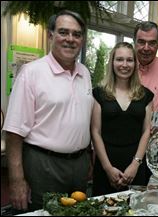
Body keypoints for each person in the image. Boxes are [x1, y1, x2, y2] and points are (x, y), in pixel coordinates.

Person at [3, 10, 94, 212]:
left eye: (77, 34)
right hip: (43, 166)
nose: (70, 39)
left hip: (79, 164)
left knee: (78, 213)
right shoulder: (31, 73)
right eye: (64, 32)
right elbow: (14, 131)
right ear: (51, 35)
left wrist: (87, 157)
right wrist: (16, 180)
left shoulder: (85, 73)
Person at [91, 42, 154, 196]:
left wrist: (135, 164)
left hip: (136, 165)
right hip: (106, 164)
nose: (124, 64)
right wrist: (107, 168)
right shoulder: (99, 93)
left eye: (129, 60)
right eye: (119, 59)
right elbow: (95, 131)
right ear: (112, 62)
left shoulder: (146, 95)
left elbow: (146, 131)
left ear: (135, 63)